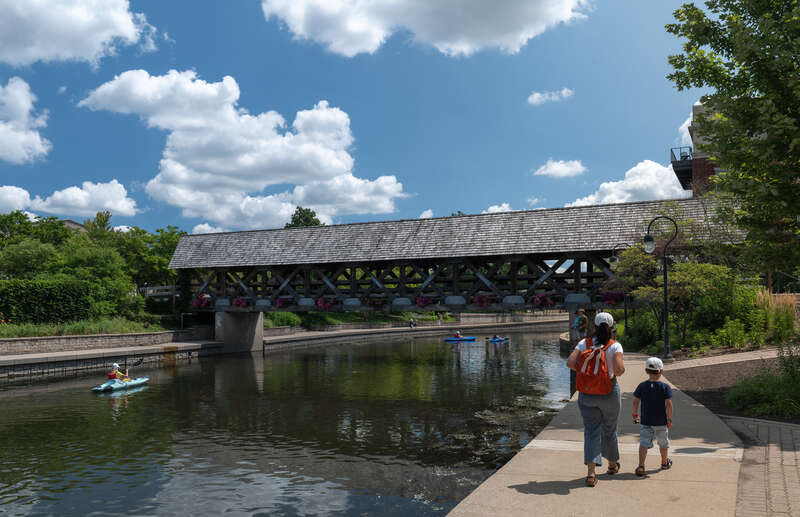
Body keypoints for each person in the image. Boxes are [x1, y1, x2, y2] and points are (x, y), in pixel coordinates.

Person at [566, 312, 625, 487]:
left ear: (595, 325)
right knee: (610, 429)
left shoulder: (584, 343)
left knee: (591, 432)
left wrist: (588, 371)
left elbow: (570, 363)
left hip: (587, 393)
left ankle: (591, 474)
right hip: (609, 392)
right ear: (612, 325)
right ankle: (612, 465)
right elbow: (619, 370)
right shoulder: (615, 346)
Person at [632, 357, 674, 476]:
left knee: (644, 443)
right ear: (661, 371)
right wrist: (669, 419)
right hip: (661, 422)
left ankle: (641, 466)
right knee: (663, 443)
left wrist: (635, 414)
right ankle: (664, 463)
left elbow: (635, 401)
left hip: (646, 421)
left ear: (646, 371)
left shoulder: (642, 386)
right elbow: (669, 405)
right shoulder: (665, 387)